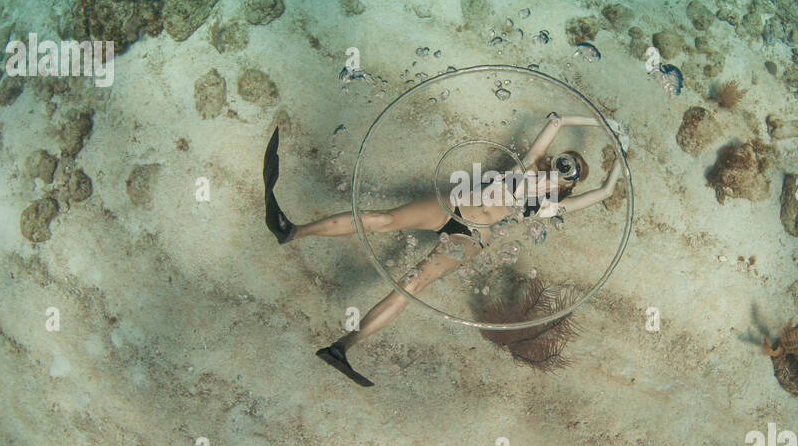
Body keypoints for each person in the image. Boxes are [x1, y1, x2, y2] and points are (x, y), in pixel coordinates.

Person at [263, 112, 624, 386]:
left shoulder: (547, 207)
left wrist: (619, 162)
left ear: (568, 185)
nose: (565, 167)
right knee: (381, 219)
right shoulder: (527, 165)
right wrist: (600, 122)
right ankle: (291, 231)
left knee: (411, 285)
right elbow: (557, 121)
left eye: (572, 172)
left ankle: (342, 346)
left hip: (469, 239)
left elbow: (604, 193)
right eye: (567, 160)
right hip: (451, 206)